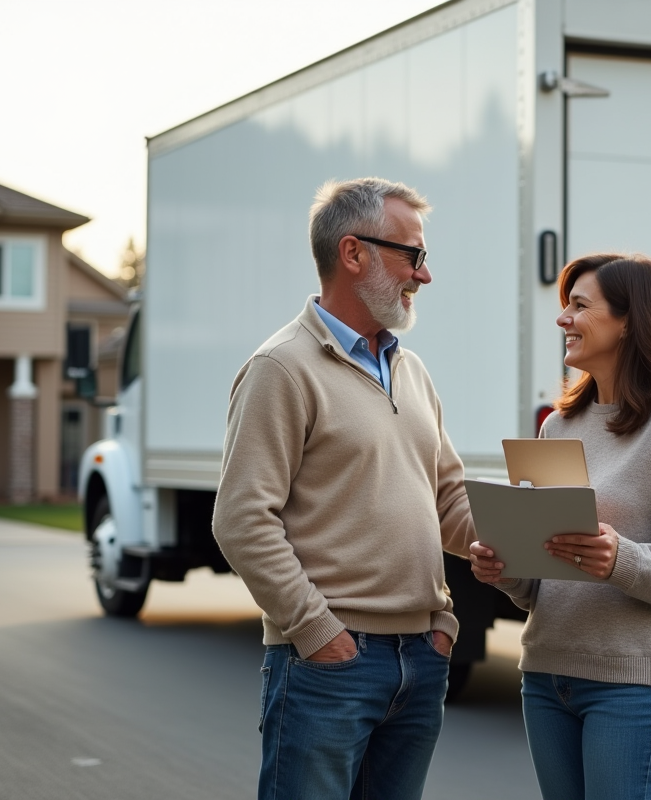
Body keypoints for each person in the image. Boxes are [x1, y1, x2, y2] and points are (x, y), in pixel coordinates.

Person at [212, 177, 474, 800]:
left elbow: (450, 501)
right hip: (330, 665)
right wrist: (318, 632)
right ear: (353, 254)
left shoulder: (410, 370)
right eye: (413, 255)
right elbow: (242, 520)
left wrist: (536, 531)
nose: (424, 275)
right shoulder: (282, 368)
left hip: (422, 658)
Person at [470, 253, 651, 800]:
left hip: (632, 686)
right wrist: (506, 567)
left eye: (579, 306)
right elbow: (540, 582)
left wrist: (618, 558)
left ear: (631, 321)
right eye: (565, 305)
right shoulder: (559, 425)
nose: (563, 319)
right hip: (546, 675)